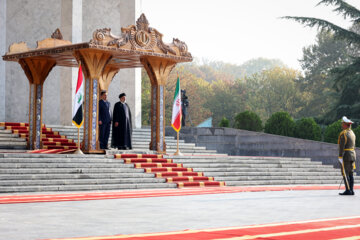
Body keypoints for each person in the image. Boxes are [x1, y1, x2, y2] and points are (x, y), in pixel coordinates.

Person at [338, 116, 356, 195]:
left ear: (345, 125)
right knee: (351, 173)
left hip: (347, 155)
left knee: (345, 173)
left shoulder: (344, 134)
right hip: (353, 154)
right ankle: (351, 190)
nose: (342, 125)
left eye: (343, 123)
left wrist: (340, 157)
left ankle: (348, 190)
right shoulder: (352, 133)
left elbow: (341, 147)